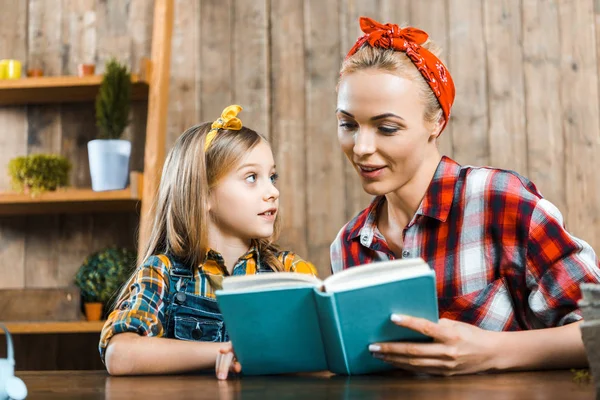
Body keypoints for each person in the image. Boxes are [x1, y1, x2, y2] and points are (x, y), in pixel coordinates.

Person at [331, 17, 600, 376]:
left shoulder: (500, 201)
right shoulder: (347, 246)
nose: (361, 148)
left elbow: (596, 331)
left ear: (437, 122)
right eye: (348, 124)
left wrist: (493, 351)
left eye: (387, 128)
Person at [99, 105, 316, 377]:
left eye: (272, 177)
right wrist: (225, 351)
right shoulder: (163, 273)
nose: (273, 191)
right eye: (252, 178)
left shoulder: (290, 271)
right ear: (203, 195)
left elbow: (324, 361)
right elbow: (119, 354)